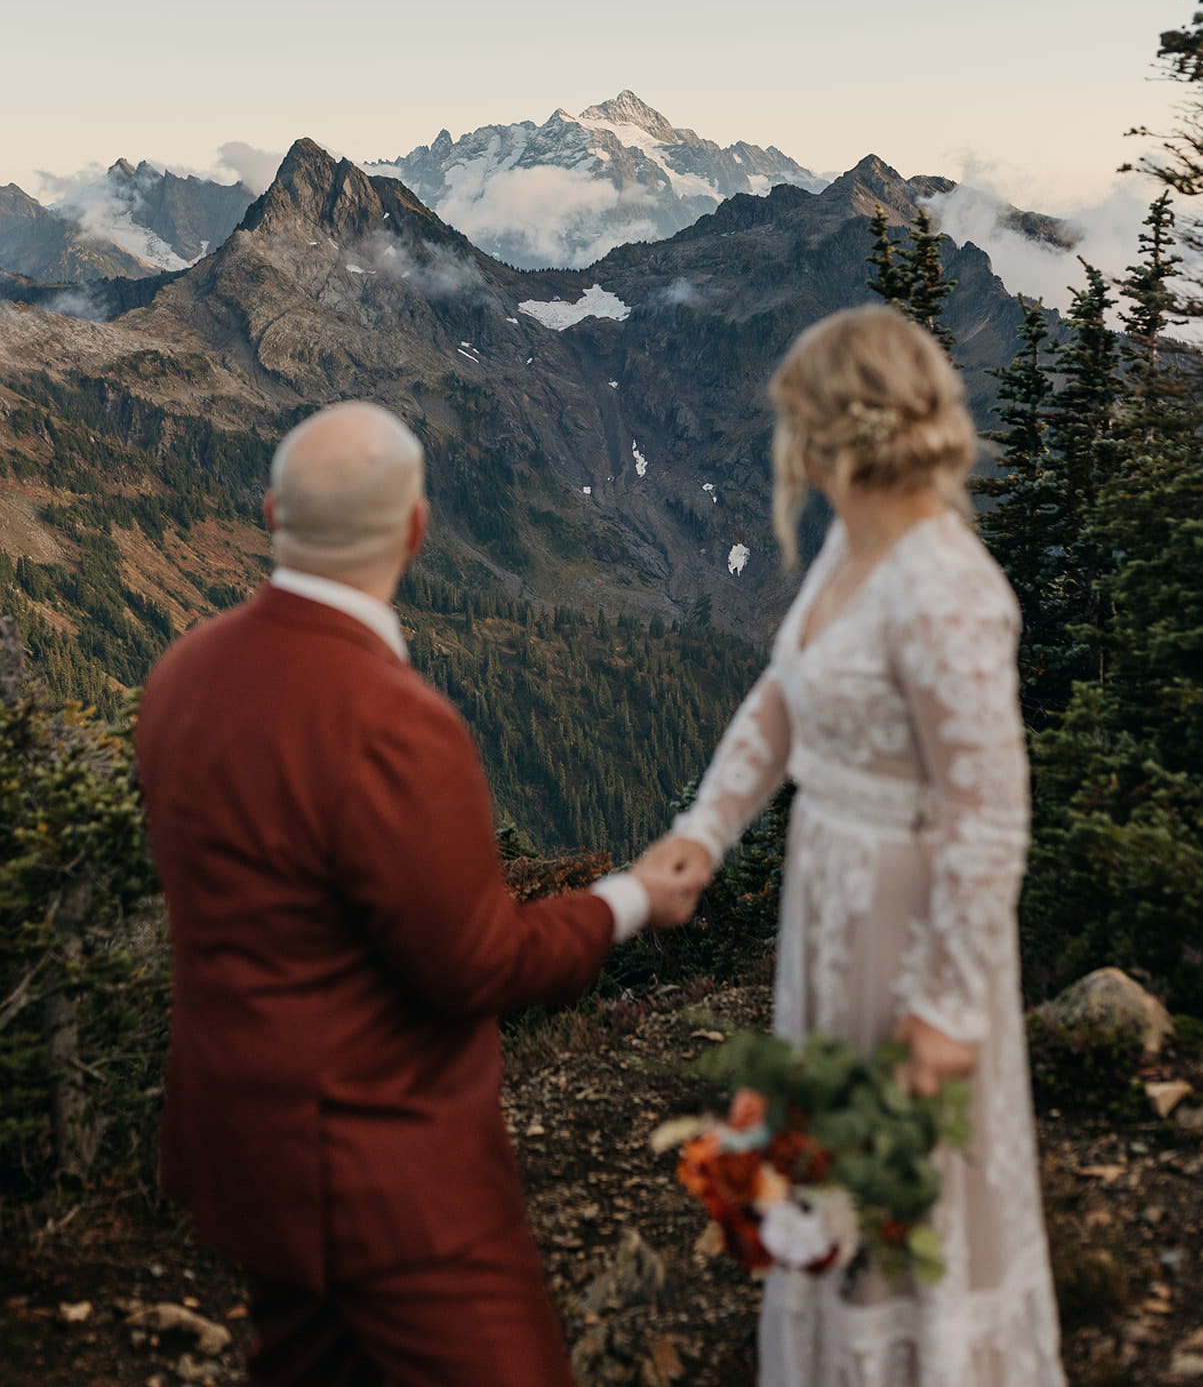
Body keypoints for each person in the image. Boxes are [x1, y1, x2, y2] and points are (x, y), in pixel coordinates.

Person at [135, 401, 707, 1387]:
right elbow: (476, 964)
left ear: (272, 510)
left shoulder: (182, 673)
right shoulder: (399, 721)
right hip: (384, 1176)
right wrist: (629, 900)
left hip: (241, 1149)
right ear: (414, 530)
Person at [647, 306, 1064, 1386]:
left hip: (908, 914)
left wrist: (947, 1007)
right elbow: (784, 691)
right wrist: (706, 828)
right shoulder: (855, 543)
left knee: (904, 1163)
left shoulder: (945, 586)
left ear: (834, 434)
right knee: (831, 1151)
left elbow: (990, 814)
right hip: (828, 892)